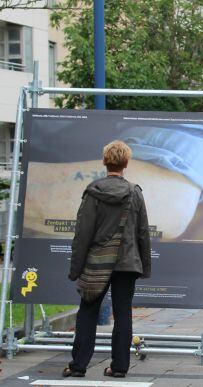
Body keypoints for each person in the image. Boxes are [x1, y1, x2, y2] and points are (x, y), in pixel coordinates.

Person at [64, 140, 151, 379]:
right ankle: (119, 367)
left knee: (88, 311)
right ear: (126, 163)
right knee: (123, 313)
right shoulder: (135, 193)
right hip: (127, 263)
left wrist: (76, 268)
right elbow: (143, 232)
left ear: (104, 161)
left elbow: (82, 234)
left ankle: (78, 365)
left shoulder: (93, 192)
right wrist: (143, 266)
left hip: (96, 264)